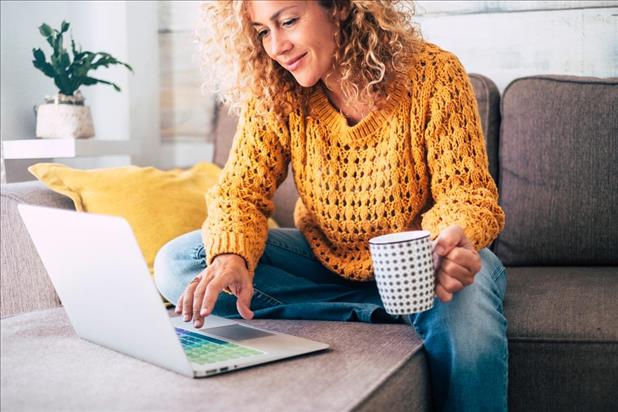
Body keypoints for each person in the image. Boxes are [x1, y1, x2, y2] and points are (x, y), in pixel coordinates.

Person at [154, 1, 508, 410]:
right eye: (262, 32)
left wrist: (446, 245)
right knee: (180, 263)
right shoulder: (276, 89)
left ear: (339, 8)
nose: (277, 47)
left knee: (466, 298)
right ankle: (388, 311)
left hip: (423, 266)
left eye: (288, 21)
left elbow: (467, 194)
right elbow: (240, 192)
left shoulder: (434, 75)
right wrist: (232, 255)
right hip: (327, 261)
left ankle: (400, 306)